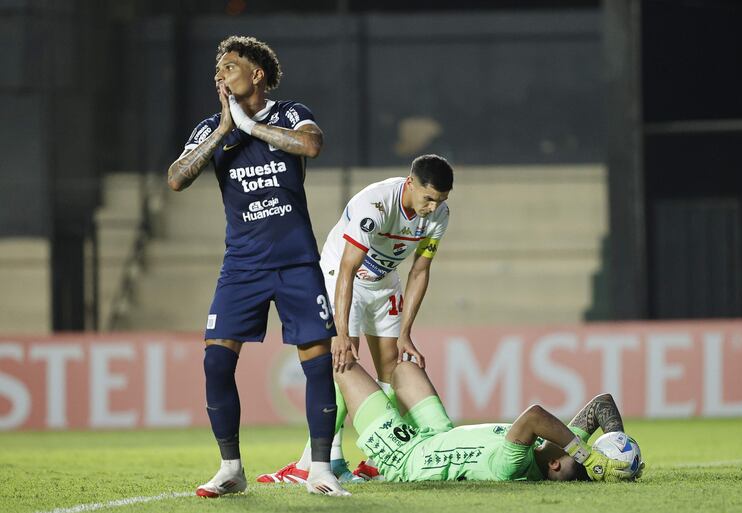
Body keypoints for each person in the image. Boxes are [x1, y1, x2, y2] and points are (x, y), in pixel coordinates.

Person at [167, 35, 348, 497]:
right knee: (214, 361)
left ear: (257, 73)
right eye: (218, 70)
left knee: (316, 364)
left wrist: (250, 126)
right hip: (242, 265)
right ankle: (231, 468)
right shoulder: (213, 127)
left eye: (229, 67)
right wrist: (226, 128)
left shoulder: (288, 114)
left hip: (295, 262)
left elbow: (312, 145)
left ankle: (321, 470)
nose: (220, 75)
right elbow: (176, 178)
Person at [256, 155, 453, 484]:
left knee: (392, 365)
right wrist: (340, 332)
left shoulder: (439, 215)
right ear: (410, 184)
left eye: (441, 200)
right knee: (344, 361)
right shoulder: (375, 204)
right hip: (342, 276)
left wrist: (406, 332)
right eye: (428, 198)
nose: (433, 207)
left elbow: (420, 270)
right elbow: (348, 268)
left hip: (384, 280)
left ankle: (381, 457)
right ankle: (321, 460)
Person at [333, 360, 637, 483]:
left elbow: (534, 416)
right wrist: (615, 446)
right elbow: (601, 404)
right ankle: (375, 419)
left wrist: (588, 455)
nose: (575, 445)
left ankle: (325, 461)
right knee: (404, 369)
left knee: (343, 365)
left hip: (408, 457)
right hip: (438, 434)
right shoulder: (557, 447)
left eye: (575, 451)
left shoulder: (513, 465)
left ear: (555, 464)